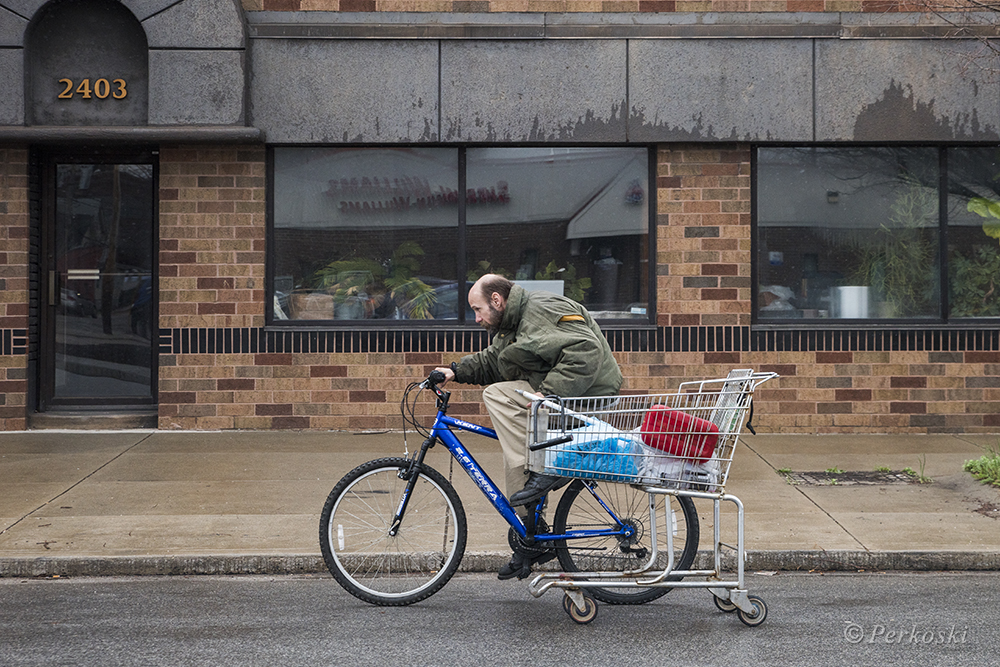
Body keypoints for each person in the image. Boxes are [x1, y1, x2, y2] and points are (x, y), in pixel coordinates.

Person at [433, 273, 622, 579]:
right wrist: (454, 372)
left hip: (587, 395)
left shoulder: (540, 310)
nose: (476, 318)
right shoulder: (511, 326)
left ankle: (542, 468)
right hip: (563, 395)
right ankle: (531, 538)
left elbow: (586, 352)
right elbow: (495, 361)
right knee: (516, 460)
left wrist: (546, 394)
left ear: (497, 300)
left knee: (497, 396)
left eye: (478, 309)